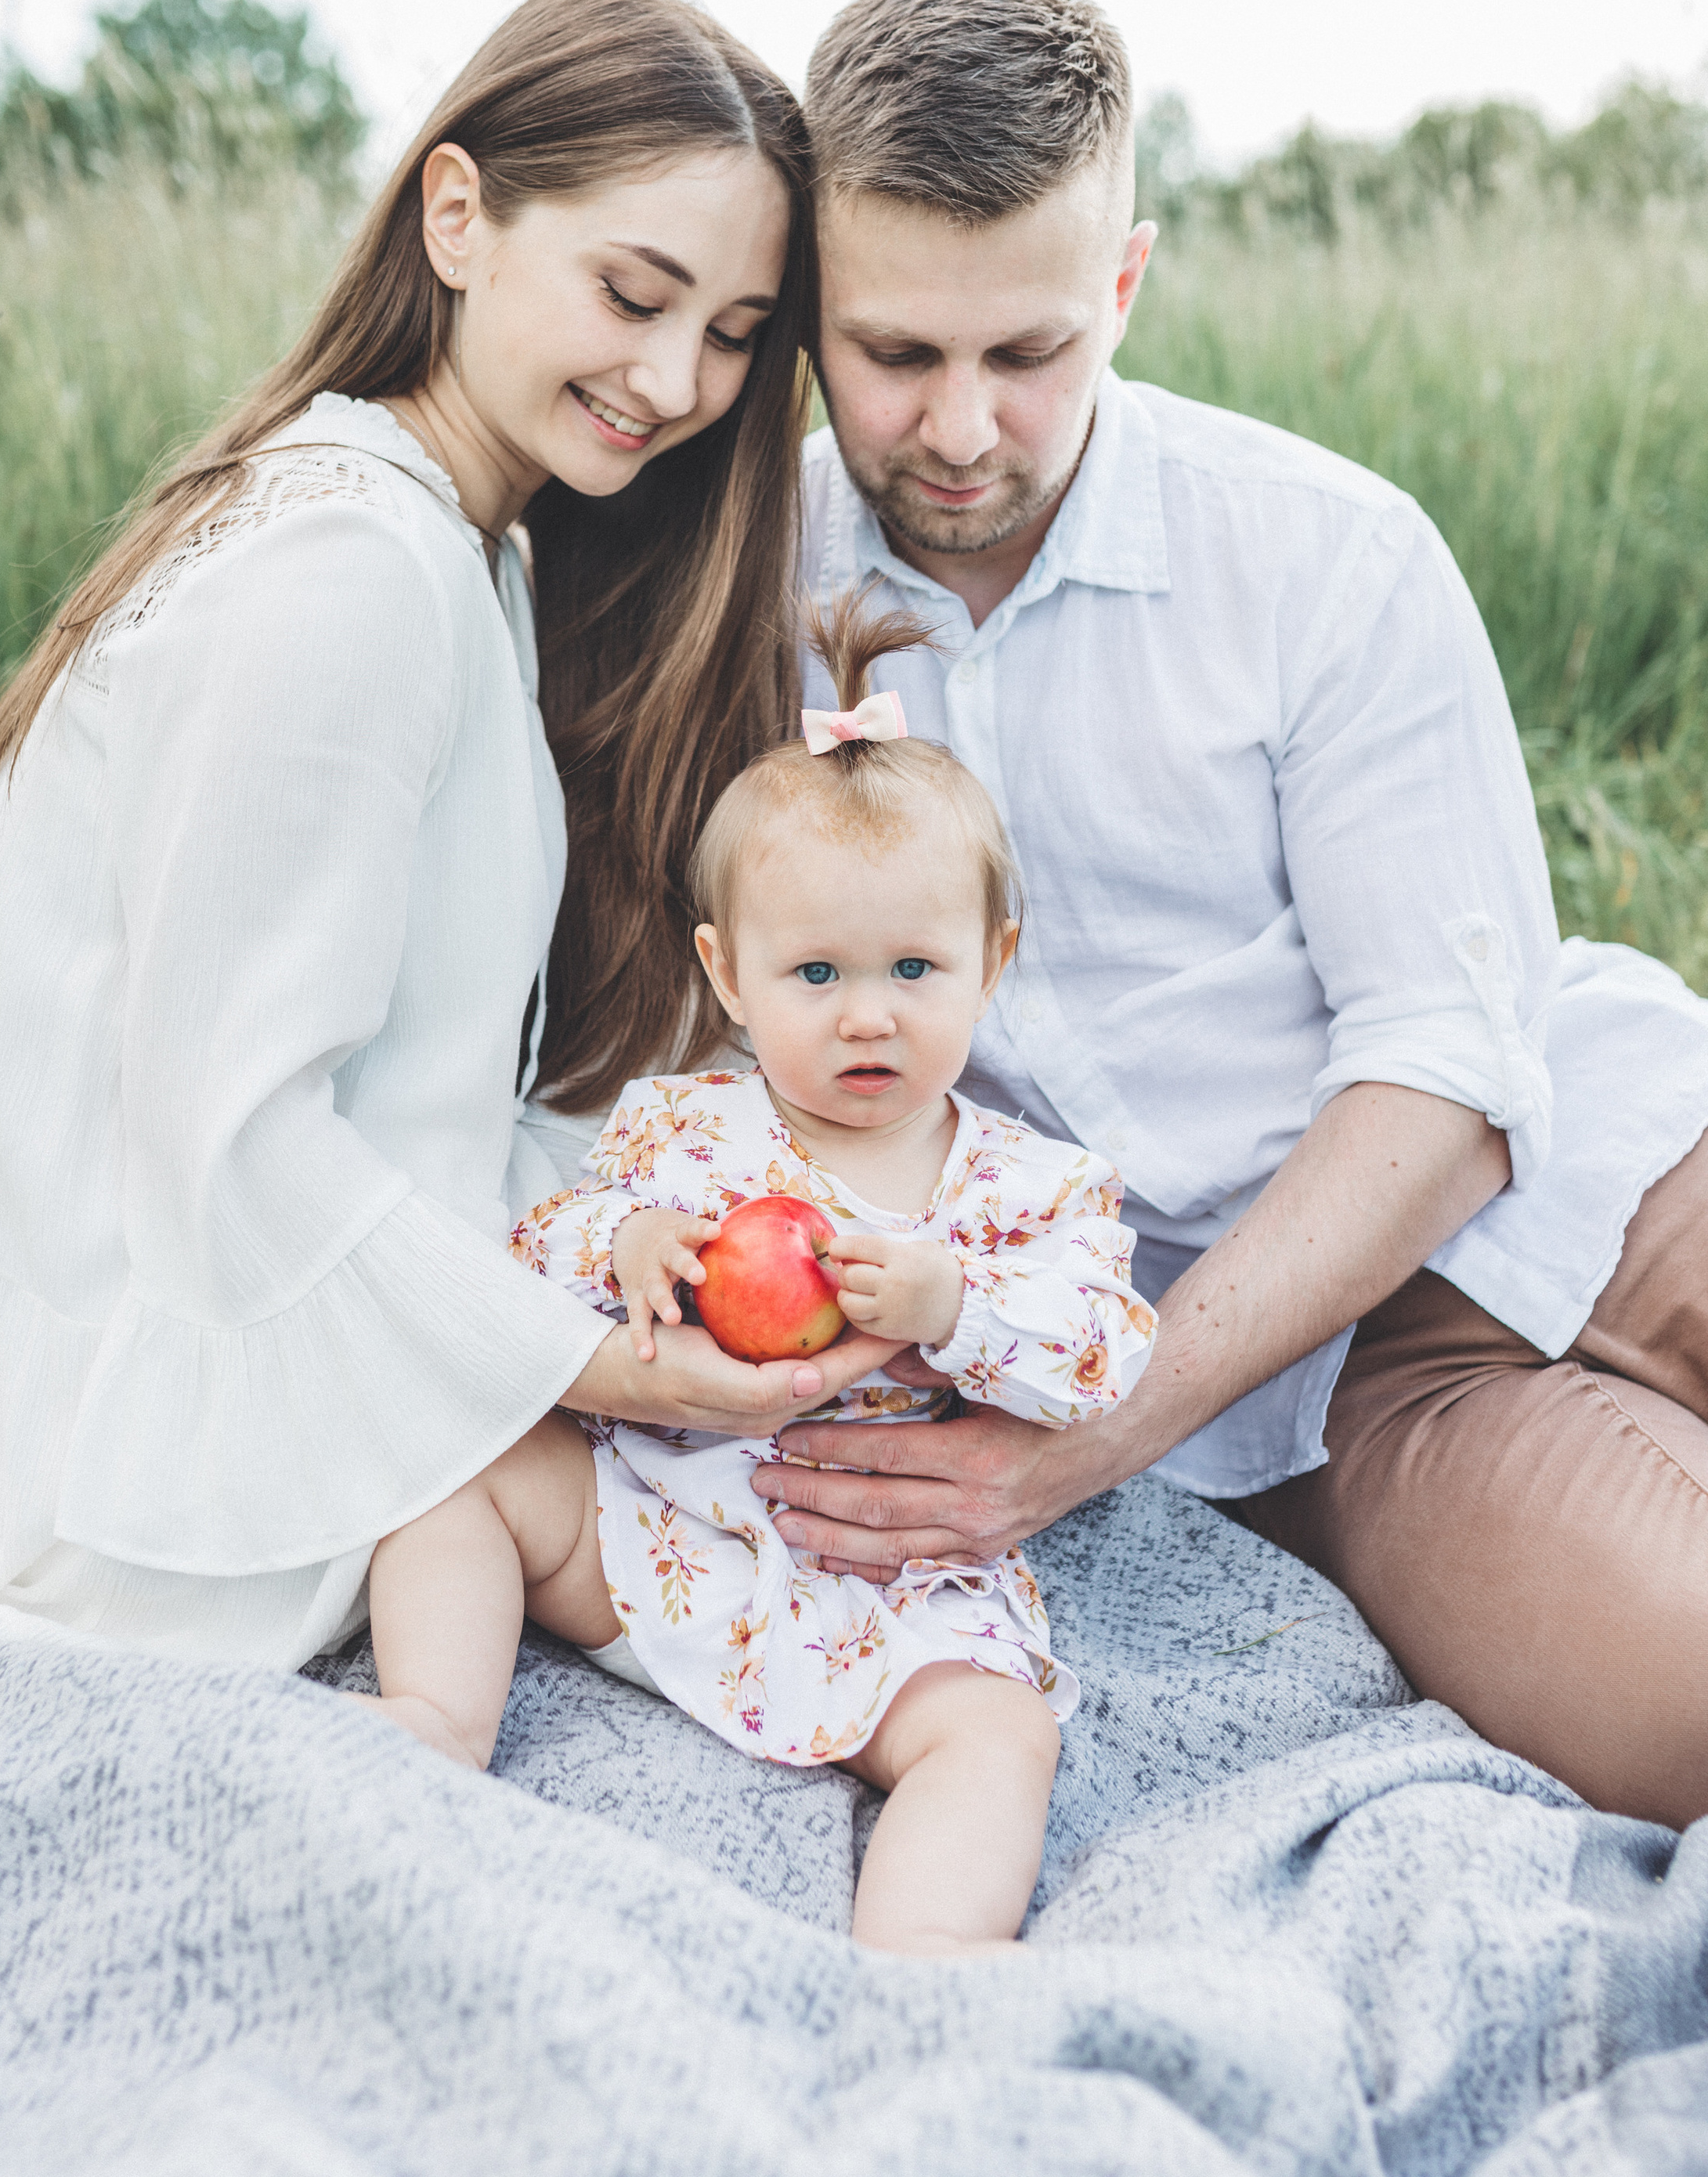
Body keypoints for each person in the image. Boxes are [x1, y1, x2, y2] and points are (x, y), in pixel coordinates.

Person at [0, 0, 882, 1702]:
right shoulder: (343, 570)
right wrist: (583, 1366)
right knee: (822, 1615)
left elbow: (416, 1081)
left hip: (191, 1373)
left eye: (731, 334)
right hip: (101, 1480)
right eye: (634, 295)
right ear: (457, 214)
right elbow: (232, 1140)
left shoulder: (459, 542)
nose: (674, 380)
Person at [753, 0, 1708, 1830]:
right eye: (896, 354)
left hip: (1607, 1153)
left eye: (1027, 353)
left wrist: (1078, 1440)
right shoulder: (727, 600)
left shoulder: (1322, 554)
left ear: (1121, 285)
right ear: (808, 308)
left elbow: (1446, 1075)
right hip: (1320, 1368)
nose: (961, 427)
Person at [363, 590, 1155, 1952]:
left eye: (916, 967)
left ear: (993, 964)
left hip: (878, 1583)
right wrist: (626, 1248)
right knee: (460, 1464)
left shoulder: (1032, 1188)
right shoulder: (688, 1131)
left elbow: (1103, 1351)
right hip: (656, 1523)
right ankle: (434, 1715)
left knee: (998, 1732)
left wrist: (954, 1306)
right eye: (817, 973)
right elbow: (540, 1251)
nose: (868, 1015)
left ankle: (920, 1954)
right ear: (728, 977)